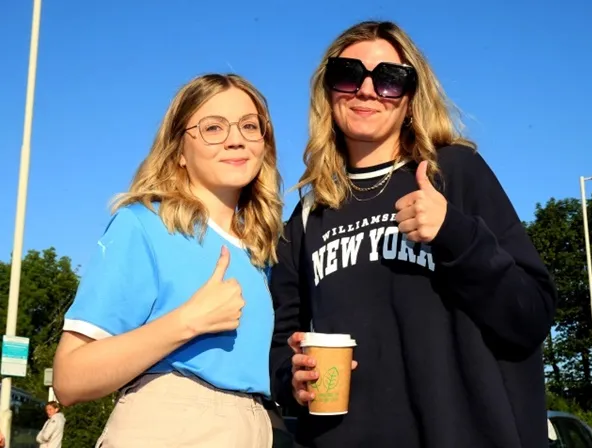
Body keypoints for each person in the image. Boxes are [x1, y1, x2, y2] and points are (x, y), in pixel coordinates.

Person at [269, 20, 557, 448]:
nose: (366, 91)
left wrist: (455, 234)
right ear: (327, 91)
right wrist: (292, 378)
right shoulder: (310, 214)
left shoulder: (452, 173)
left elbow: (530, 316)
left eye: (389, 79)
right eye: (348, 75)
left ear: (409, 98)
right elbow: (280, 342)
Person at [53, 73, 284, 447]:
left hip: (256, 426)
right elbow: (69, 378)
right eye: (213, 127)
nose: (236, 139)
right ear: (179, 150)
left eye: (249, 126)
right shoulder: (144, 225)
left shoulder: (264, 254)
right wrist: (188, 321)